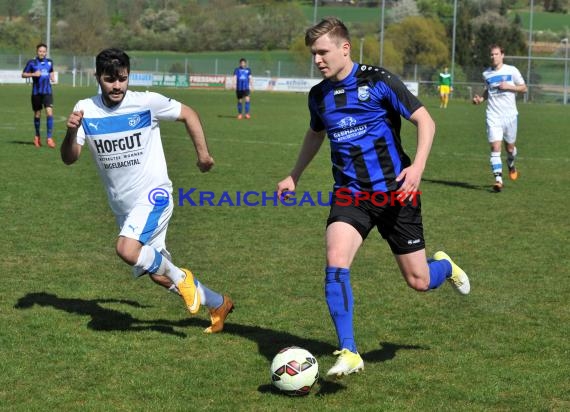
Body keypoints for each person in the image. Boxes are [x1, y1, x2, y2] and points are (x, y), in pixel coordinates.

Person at [276, 17, 470, 378]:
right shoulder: (318, 96)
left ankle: (444, 265)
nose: (317, 59)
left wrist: (418, 169)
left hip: (398, 192)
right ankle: (349, 351)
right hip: (351, 196)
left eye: (323, 51)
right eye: (313, 54)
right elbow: (315, 134)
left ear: (344, 48)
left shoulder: (378, 81)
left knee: (419, 281)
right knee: (335, 262)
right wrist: (294, 174)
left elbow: (426, 121)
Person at [60, 48, 233, 333]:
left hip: (155, 196)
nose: (117, 86)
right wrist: (70, 132)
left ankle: (183, 278)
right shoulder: (85, 109)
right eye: (109, 80)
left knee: (126, 249)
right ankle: (218, 303)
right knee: (158, 273)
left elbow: (188, 114)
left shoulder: (147, 103)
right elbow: (69, 157)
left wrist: (203, 155)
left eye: (122, 79)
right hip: (124, 208)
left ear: (129, 76)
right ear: (97, 78)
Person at [473, 44, 527, 192]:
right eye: (491, 55)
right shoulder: (486, 74)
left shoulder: (512, 70)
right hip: (493, 115)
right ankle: (498, 180)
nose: (493, 57)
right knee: (495, 147)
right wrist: (480, 100)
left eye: (496, 54)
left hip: (510, 116)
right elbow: (487, 91)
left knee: (509, 148)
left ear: (502, 55)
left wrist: (509, 87)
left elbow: (524, 88)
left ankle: (511, 164)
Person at [22, 43, 56, 148]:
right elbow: (23, 74)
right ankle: (37, 136)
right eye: (40, 51)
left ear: (46, 52)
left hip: (47, 92)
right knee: (37, 114)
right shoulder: (32, 63)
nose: (42, 53)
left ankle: (49, 138)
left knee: (49, 113)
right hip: (36, 93)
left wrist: (52, 77)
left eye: (44, 51)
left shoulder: (49, 62)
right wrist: (33, 74)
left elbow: (51, 71)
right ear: (37, 51)